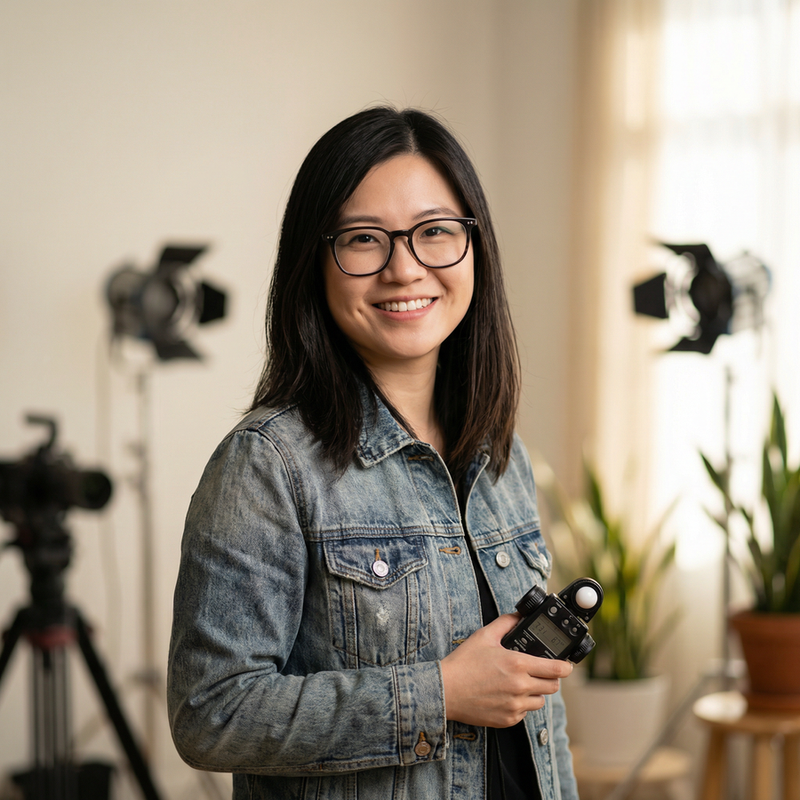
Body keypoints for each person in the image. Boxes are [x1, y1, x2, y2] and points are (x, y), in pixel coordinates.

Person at [167, 106, 579, 800]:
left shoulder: (501, 456)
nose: (404, 268)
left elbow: (541, 713)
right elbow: (210, 713)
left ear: (474, 245)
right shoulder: (267, 465)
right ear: (315, 260)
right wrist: (439, 694)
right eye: (364, 239)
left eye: (435, 232)